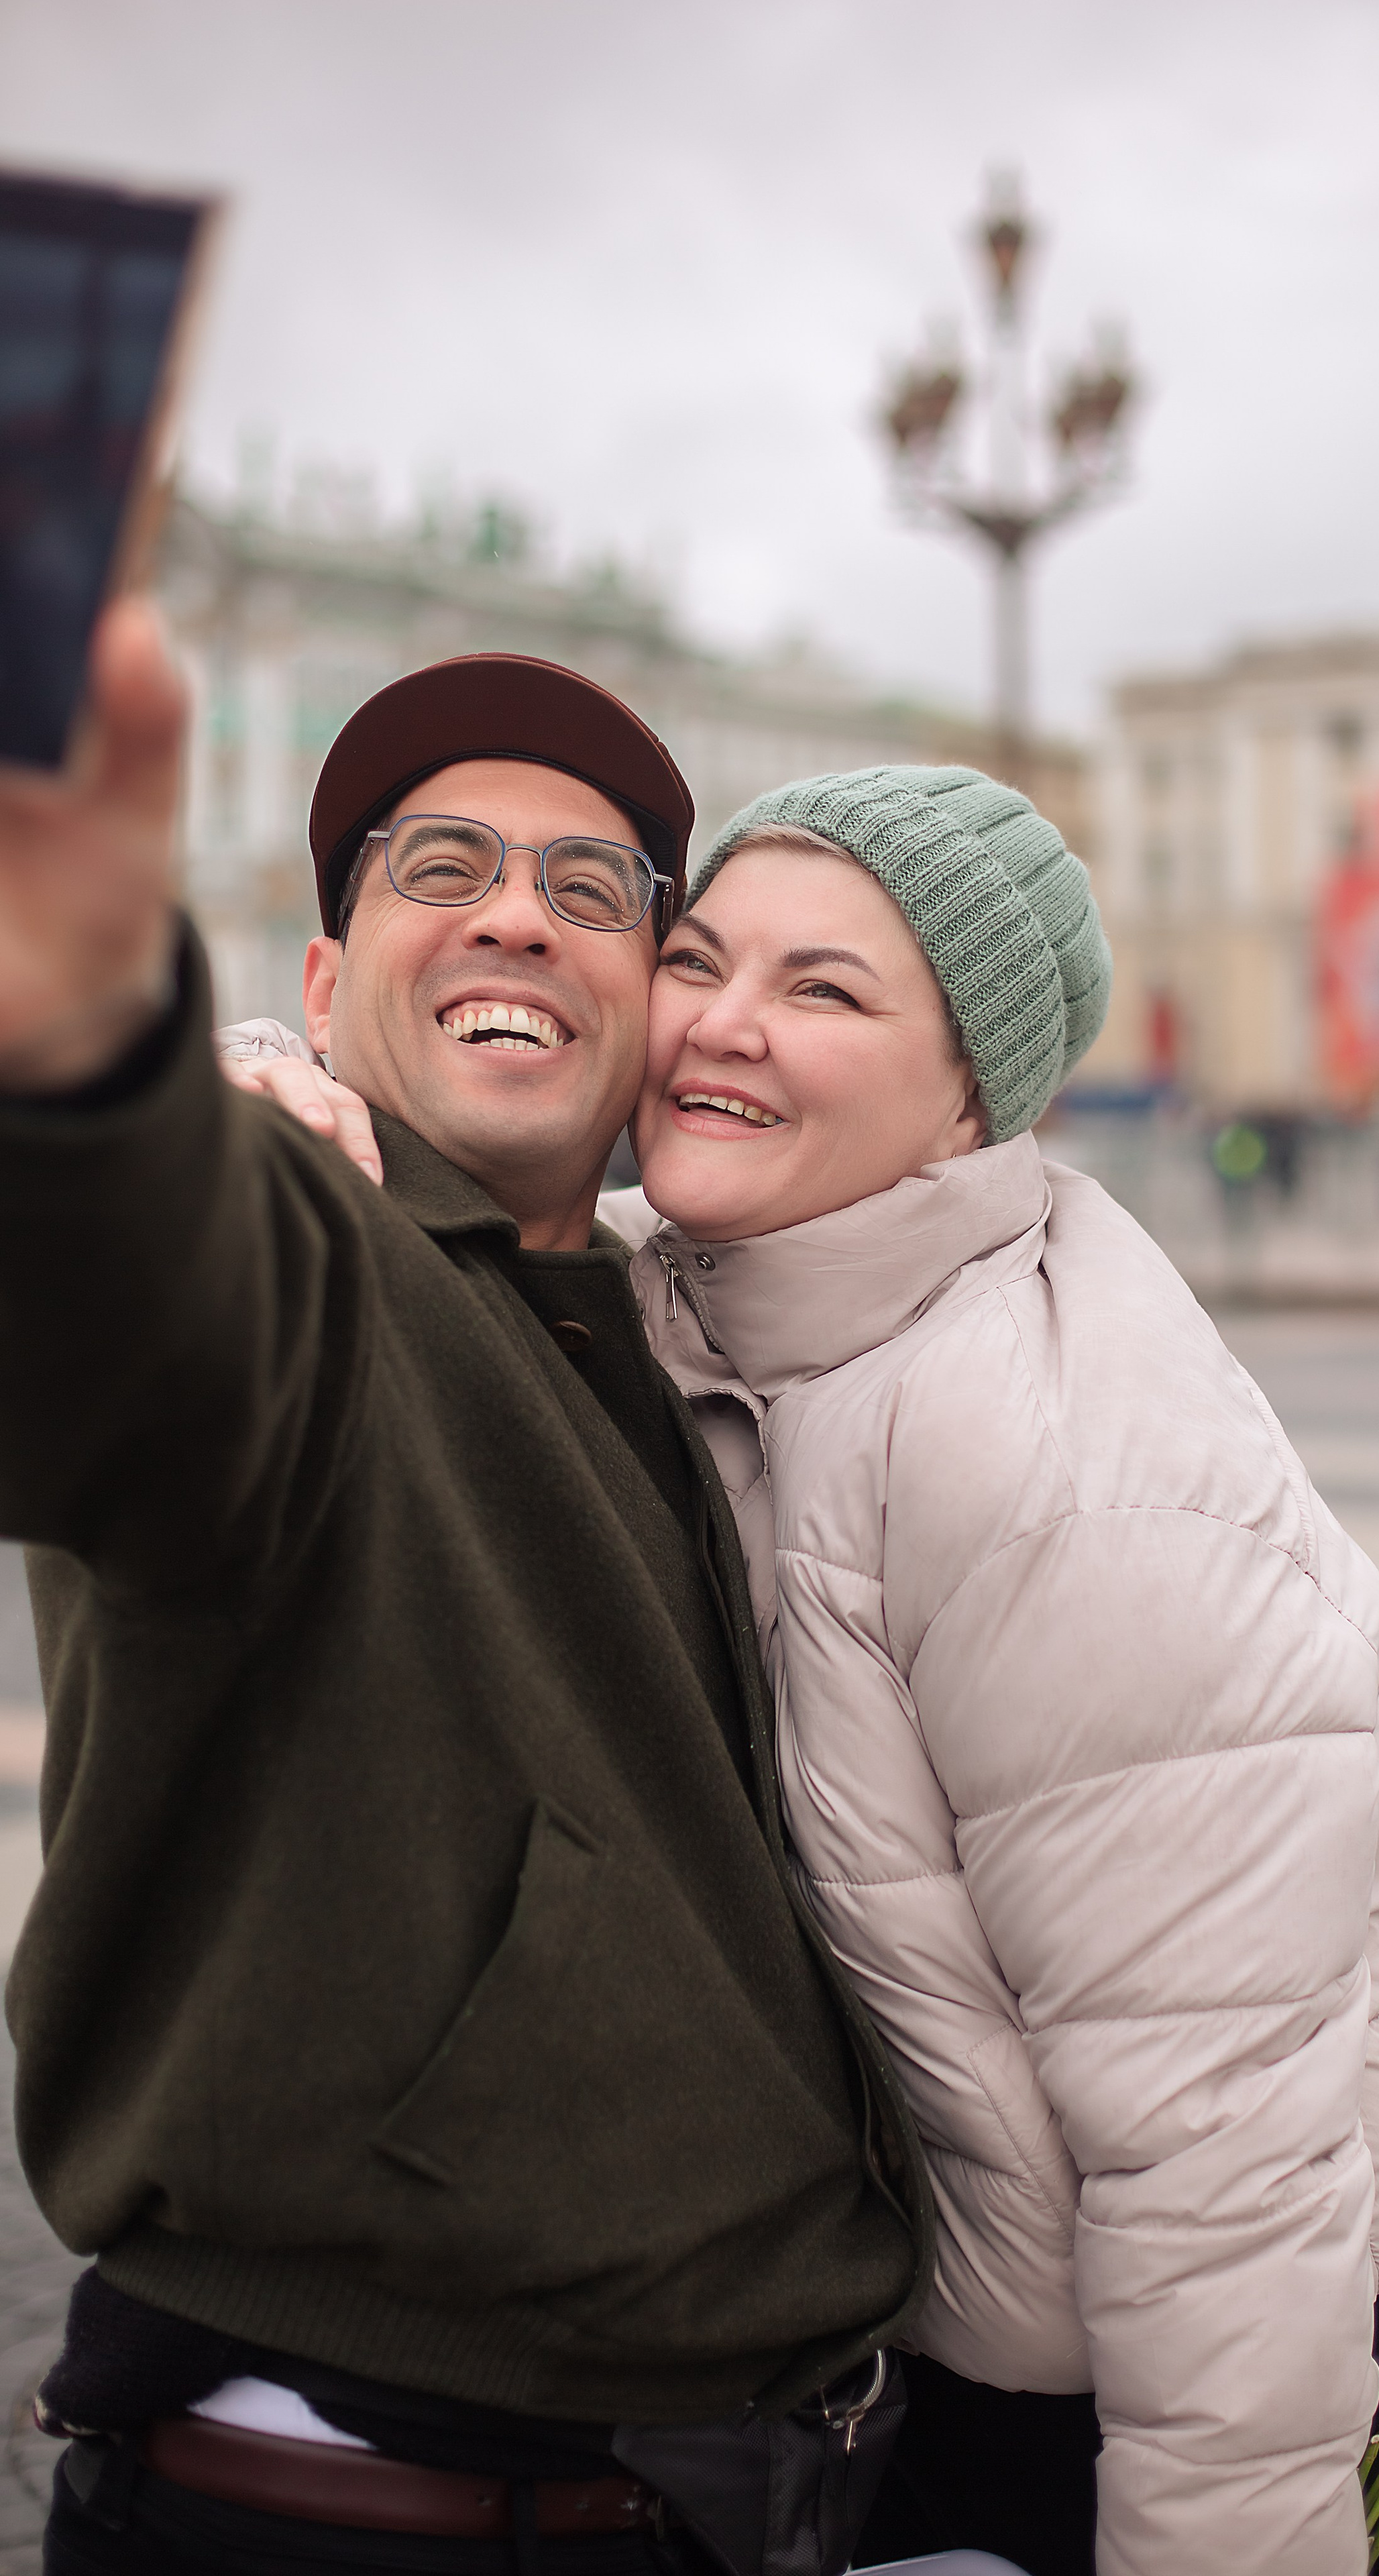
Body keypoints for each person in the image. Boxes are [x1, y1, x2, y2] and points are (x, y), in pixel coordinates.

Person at [231, 764, 1379, 2576]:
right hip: (924, 2354)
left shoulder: (1072, 1474)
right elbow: (398, 1180)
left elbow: (1227, 2162)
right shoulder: (699, 1297)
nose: (722, 1027)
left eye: (825, 991)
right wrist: (253, 1091)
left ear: (973, 1095)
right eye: (703, 961)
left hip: (1164, 2388)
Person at [0, 610, 932, 2576]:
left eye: (592, 893)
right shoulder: (313, 1253)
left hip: (717, 2497)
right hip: (370, 2517)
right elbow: (124, 1305)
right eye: (442, 867)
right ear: (322, 982)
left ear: (651, 1011)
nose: (517, 914)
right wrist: (90, 1069)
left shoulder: (674, 1343)